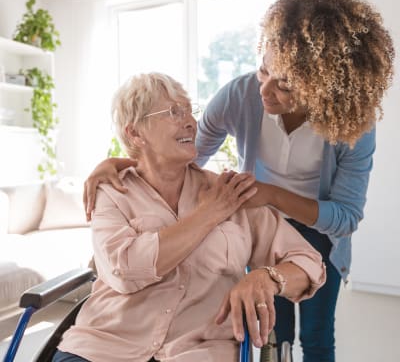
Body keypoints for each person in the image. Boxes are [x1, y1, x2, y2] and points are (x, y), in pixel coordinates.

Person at [83, 0, 394, 362]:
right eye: (264, 70)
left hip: (318, 233)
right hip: (254, 225)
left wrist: (270, 194)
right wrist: (126, 161)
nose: (265, 91)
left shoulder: (352, 127)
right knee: (268, 335)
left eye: (286, 87)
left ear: (323, 91)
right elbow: (185, 158)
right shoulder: (240, 95)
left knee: (315, 338)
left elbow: (345, 217)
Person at [54, 73, 325, 362]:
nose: (191, 122)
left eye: (189, 111)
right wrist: (209, 214)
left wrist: (267, 277)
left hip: (197, 352)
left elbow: (310, 264)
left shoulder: (232, 193)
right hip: (104, 347)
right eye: (174, 112)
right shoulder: (111, 191)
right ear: (135, 133)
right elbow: (125, 271)